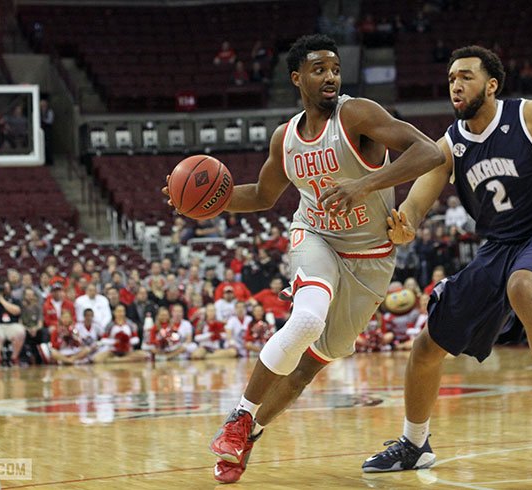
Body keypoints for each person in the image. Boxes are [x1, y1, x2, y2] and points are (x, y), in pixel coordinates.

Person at [335, 46, 532, 472]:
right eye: (452, 77)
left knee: (523, 286)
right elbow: (417, 203)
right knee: (426, 346)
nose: (456, 84)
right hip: (497, 247)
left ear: (491, 84)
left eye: (466, 76)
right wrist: (406, 223)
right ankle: (414, 443)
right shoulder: (449, 145)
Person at [163, 34, 442, 484]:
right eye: (318, 69)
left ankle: (246, 437)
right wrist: (197, 202)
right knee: (308, 319)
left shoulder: (357, 114)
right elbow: (261, 195)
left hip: (370, 257)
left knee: (310, 365)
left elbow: (428, 151)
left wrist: (364, 185)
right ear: (297, 78)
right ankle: (238, 417)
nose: (330, 76)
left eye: (334, 68)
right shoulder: (285, 138)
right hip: (313, 235)